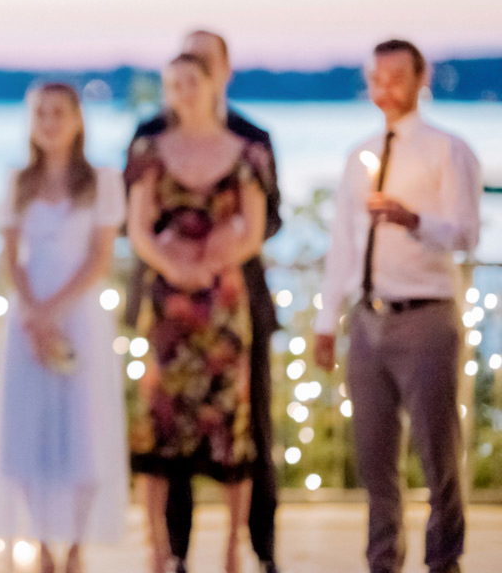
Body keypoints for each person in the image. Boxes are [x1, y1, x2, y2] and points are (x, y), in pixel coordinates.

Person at [314, 39, 480, 573]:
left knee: (438, 457)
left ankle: (443, 561)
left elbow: (466, 234)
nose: (385, 87)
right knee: (375, 460)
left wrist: (415, 221)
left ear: (420, 78)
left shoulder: (447, 150)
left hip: (426, 317)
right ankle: (382, 561)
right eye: (376, 77)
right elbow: (342, 244)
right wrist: (326, 321)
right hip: (367, 321)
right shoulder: (356, 156)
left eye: (396, 76)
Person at [125, 29, 282, 573]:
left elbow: (260, 225)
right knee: (161, 427)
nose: (182, 91)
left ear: (214, 83)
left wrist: (214, 260)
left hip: (225, 305)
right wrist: (173, 265)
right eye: (173, 83)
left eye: (192, 81)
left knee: (233, 428)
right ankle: (162, 551)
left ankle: (237, 550)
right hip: (168, 307)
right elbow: (137, 227)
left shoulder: (248, 147)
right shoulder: (148, 145)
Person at [0, 83, 128, 573]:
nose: (49, 121)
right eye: (41, 113)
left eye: (59, 112)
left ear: (76, 119)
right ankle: (41, 545)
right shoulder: (17, 181)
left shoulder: (103, 180)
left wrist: (56, 310)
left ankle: (76, 548)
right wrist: (32, 310)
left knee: (84, 427)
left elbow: (99, 258)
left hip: (80, 312)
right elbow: (10, 256)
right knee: (29, 430)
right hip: (27, 315)